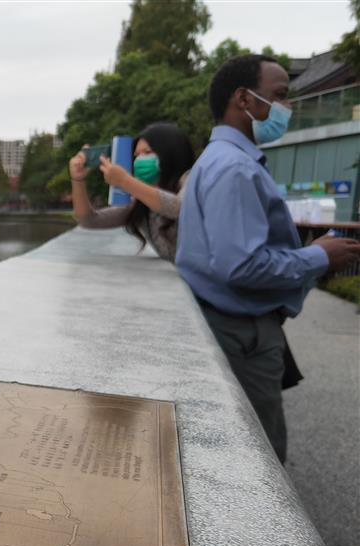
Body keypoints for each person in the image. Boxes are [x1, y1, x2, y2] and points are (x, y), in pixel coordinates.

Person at [176, 54, 360, 463]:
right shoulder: (235, 169)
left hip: (234, 329)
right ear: (244, 98)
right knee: (257, 456)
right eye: (280, 96)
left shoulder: (221, 161)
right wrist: (317, 256)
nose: (287, 109)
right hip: (242, 337)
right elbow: (240, 266)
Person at [69, 122, 195, 262]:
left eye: (147, 153)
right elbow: (88, 220)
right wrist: (77, 180)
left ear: (170, 153)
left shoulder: (191, 178)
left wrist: (124, 181)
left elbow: (178, 207)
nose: (139, 160)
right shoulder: (141, 203)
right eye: (136, 155)